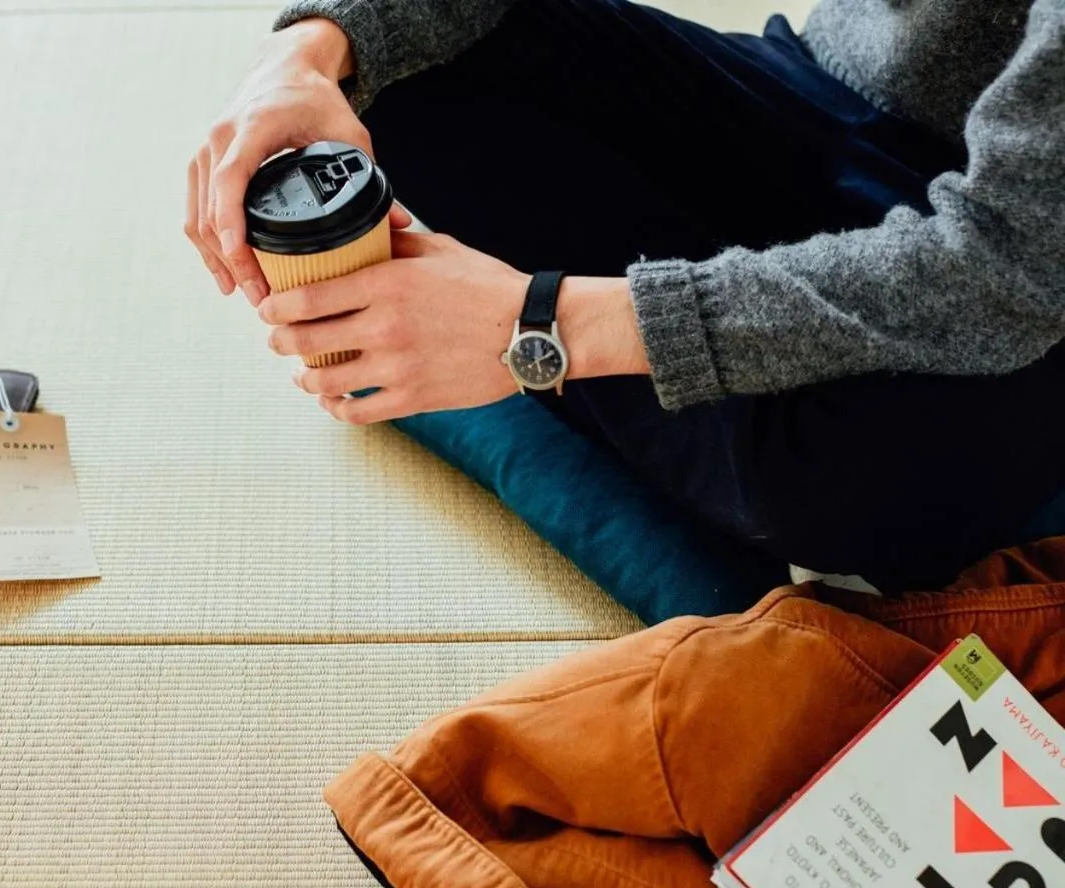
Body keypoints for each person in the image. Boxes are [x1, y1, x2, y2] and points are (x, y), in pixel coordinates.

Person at [184, 0, 1065, 592]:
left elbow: (1008, 264)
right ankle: (510, 347)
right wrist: (310, 47)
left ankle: (493, 349)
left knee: (859, 489)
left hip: (1023, 268)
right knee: (390, 85)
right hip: (825, 93)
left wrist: (545, 328)